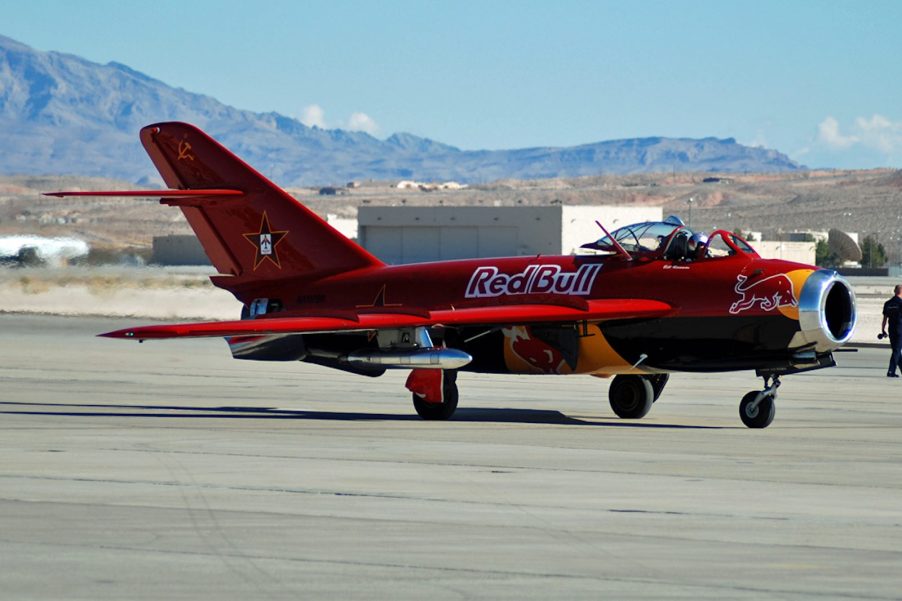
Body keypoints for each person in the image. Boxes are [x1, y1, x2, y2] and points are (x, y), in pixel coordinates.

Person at [881, 284, 902, 377]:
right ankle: (891, 371)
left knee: (896, 351)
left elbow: (884, 319)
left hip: (891, 330)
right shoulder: (901, 303)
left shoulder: (888, 303)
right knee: (897, 351)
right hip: (900, 329)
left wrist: (883, 330)